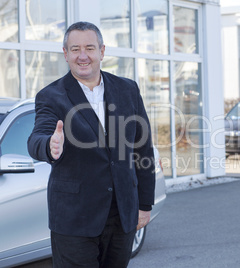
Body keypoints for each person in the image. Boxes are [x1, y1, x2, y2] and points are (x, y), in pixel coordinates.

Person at [27, 21, 155, 267]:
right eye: (75, 49)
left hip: (122, 216)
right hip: (75, 219)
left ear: (102, 51)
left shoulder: (128, 89)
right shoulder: (51, 96)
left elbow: (142, 148)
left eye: (89, 48)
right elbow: (36, 139)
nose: (82, 56)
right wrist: (50, 146)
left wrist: (145, 204)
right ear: (66, 54)